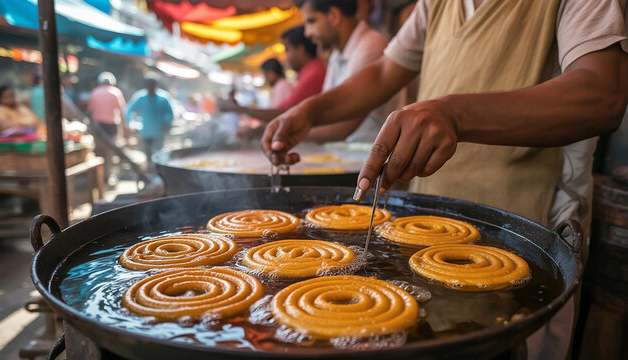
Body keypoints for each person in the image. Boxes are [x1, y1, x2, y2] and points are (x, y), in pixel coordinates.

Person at [262, 1, 627, 358]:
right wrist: (311, 111)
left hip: (524, 228)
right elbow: (385, 72)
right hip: (427, 227)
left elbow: (601, 95)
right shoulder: (435, 4)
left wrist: (454, 114)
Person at [297, 0, 397, 142]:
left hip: (373, 152)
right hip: (349, 152)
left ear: (334, 16)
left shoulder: (371, 44)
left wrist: (285, 131)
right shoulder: (336, 56)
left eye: (311, 21)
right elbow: (325, 109)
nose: (307, 33)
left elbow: (341, 128)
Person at [217, 26, 326, 122]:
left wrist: (237, 108)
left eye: (287, 49)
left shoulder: (314, 71)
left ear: (301, 49)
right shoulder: (309, 72)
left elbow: (283, 113)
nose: (286, 56)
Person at [125, 78, 174, 169]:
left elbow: (170, 113)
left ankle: (158, 170)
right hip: (146, 131)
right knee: (148, 153)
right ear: (146, 87)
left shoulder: (163, 98)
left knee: (159, 153)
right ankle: (150, 170)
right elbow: (129, 110)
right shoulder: (140, 97)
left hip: (159, 131)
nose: (151, 88)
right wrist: (131, 123)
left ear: (156, 86)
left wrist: (166, 123)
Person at [88, 72, 128, 140]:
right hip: (112, 125)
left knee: (99, 143)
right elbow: (122, 110)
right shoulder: (116, 93)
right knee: (112, 144)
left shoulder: (94, 92)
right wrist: (124, 125)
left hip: (98, 124)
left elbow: (90, 110)